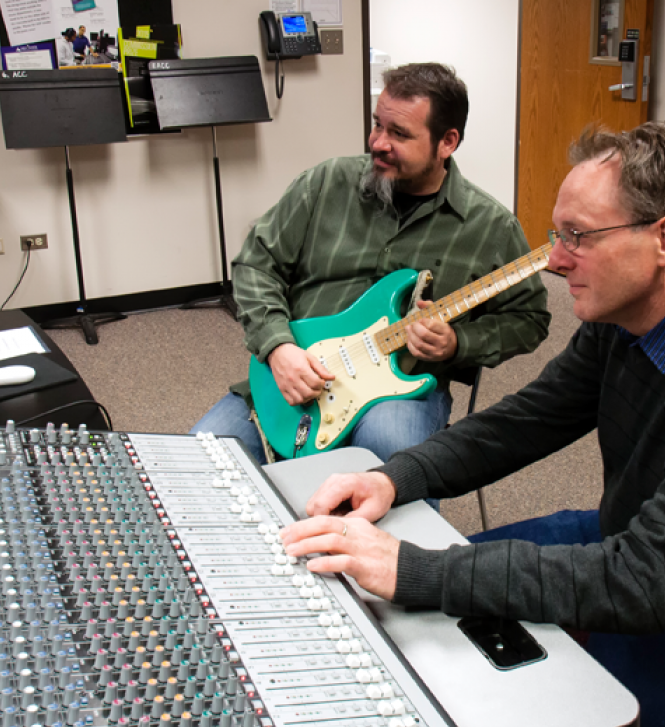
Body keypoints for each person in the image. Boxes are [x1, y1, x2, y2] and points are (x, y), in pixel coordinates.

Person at [281, 121, 665, 727]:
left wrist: (413, 570)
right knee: (427, 624)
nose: (555, 261)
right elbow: (528, 420)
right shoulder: (624, 314)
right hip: (628, 540)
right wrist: (394, 478)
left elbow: (648, 584)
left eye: (578, 238)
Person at [192, 63, 550, 466]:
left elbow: (529, 318)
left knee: (387, 450)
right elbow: (256, 265)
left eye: (399, 134)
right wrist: (279, 347)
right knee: (196, 464)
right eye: (378, 125)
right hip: (295, 372)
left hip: (400, 391)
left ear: (447, 142)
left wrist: (458, 343)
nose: (378, 142)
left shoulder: (491, 227)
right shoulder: (325, 183)